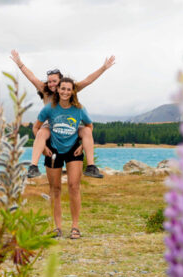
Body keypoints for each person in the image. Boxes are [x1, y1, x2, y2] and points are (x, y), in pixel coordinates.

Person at [9, 50, 114, 179]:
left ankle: (91, 167)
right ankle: (33, 167)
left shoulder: (69, 89)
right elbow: (32, 78)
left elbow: (87, 81)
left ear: (61, 81)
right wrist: (20, 64)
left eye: (54, 81)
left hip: (70, 126)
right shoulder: (46, 91)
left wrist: (103, 68)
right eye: (49, 81)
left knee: (86, 130)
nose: (51, 84)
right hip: (51, 125)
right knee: (42, 131)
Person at [33, 77, 92, 239]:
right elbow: (36, 127)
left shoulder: (79, 109)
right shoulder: (49, 108)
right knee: (55, 189)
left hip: (73, 150)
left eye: (68, 89)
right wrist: (44, 147)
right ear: (57, 90)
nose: (65, 92)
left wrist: (82, 146)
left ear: (73, 91)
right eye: (63, 88)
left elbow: (89, 126)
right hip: (53, 150)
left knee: (74, 187)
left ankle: (75, 227)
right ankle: (57, 227)